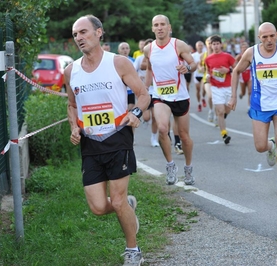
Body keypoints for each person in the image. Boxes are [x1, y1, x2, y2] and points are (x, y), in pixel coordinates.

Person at [65, 15, 150, 265]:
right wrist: (74, 127)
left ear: (99, 33)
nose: (79, 38)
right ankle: (127, 207)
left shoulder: (119, 63)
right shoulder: (71, 70)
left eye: (83, 32)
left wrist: (135, 113)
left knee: (118, 198)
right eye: (75, 34)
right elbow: (71, 105)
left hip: (117, 137)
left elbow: (144, 95)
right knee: (99, 207)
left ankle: (133, 251)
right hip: (90, 142)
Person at [228, 22, 277, 197]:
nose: (269, 40)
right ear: (259, 38)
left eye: (272, 35)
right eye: (265, 37)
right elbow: (235, 71)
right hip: (259, 105)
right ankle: (270, 145)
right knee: (260, 146)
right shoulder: (251, 53)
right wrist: (233, 96)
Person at [144, 14, 197, 186]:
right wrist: (145, 89)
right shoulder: (148, 49)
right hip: (160, 96)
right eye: (156, 25)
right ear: (152, 28)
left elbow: (194, 64)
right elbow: (150, 69)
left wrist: (186, 67)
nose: (159, 28)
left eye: (162, 24)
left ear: (169, 27)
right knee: (162, 128)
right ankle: (170, 165)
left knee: (184, 136)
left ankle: (188, 168)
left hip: (180, 96)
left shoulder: (178, 45)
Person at [204, 35, 237, 145]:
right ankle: (224, 134)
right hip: (216, 87)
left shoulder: (227, 57)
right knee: (220, 111)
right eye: (214, 44)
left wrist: (228, 70)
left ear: (221, 45)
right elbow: (208, 71)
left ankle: (223, 116)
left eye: (218, 44)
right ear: (211, 46)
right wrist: (208, 76)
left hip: (228, 87)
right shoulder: (208, 59)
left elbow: (237, 68)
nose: (216, 46)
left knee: (228, 109)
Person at [133, 38, 160, 147]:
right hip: (145, 91)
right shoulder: (139, 59)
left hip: (157, 91)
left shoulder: (158, 59)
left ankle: (154, 139)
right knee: (146, 117)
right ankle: (145, 121)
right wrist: (139, 78)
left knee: (155, 117)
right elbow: (133, 72)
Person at [118, 42, 136, 112]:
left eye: (127, 48)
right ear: (119, 51)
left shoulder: (134, 61)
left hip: (130, 90)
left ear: (129, 50)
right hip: (120, 90)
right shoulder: (115, 61)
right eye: (123, 48)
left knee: (130, 108)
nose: (125, 50)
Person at [236, 42, 252, 108]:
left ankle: (249, 106)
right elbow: (233, 64)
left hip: (250, 74)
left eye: (246, 47)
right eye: (243, 47)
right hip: (242, 76)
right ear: (241, 49)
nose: (244, 48)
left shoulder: (252, 55)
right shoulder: (239, 56)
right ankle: (241, 94)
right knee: (243, 92)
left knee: (250, 92)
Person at [192, 41, 206, 112]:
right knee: (198, 90)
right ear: (196, 47)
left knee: (204, 89)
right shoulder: (193, 55)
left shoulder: (205, 54)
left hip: (204, 75)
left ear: (203, 46)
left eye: (201, 45)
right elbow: (191, 64)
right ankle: (199, 103)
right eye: (199, 45)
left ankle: (203, 97)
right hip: (196, 74)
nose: (200, 46)